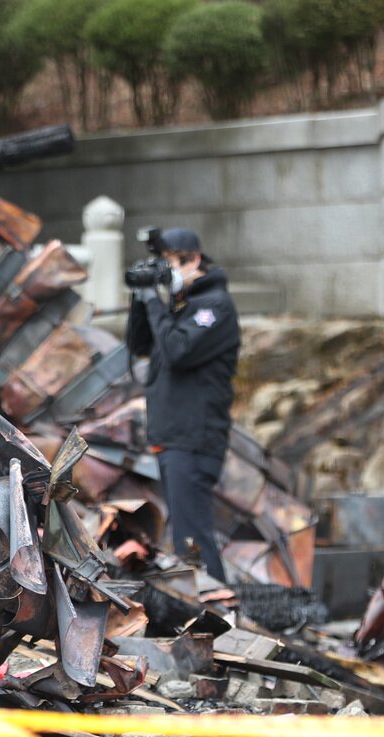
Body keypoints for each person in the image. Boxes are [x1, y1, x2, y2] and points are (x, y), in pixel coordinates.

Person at [125, 227, 240, 581]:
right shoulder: (182, 307)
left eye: (168, 263)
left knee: (194, 539)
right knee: (185, 537)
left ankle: (218, 618)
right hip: (173, 438)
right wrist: (141, 298)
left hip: (193, 439)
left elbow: (177, 351)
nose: (164, 271)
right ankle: (207, 614)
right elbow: (138, 343)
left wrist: (154, 302)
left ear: (193, 260)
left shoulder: (215, 307)